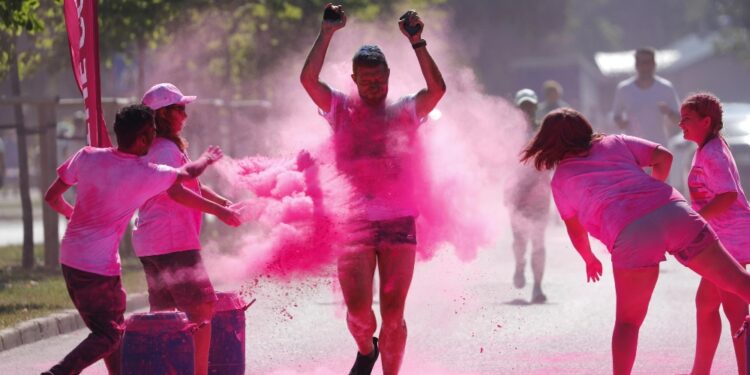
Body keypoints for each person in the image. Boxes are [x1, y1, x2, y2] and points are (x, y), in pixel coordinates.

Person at [520, 108, 750, 375]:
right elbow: (664, 157)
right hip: (674, 211)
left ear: (548, 142)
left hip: (632, 235)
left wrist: (589, 258)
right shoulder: (614, 142)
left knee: (628, 324)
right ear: (584, 128)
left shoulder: (561, 180)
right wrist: (652, 192)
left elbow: (575, 229)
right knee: (740, 284)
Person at [300, 4, 446, 375]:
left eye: (378, 79)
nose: (373, 86)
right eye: (365, 80)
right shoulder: (339, 109)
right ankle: (367, 351)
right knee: (360, 314)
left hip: (399, 222)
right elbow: (308, 81)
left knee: (394, 316)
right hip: (354, 225)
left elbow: (437, 89)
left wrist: (417, 41)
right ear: (353, 78)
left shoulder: (405, 110)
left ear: (389, 75)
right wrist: (327, 33)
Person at [42, 105, 224, 375]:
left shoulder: (87, 156)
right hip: (98, 269)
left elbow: (52, 197)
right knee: (111, 335)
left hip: (70, 259)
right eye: (152, 133)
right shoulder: (145, 173)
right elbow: (188, 174)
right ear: (143, 138)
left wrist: (73, 215)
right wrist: (207, 158)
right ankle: (59, 372)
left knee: (109, 329)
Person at [135, 83, 241, 375]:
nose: (185, 114)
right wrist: (220, 212)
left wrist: (222, 201)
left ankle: (167, 370)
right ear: (164, 114)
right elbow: (176, 193)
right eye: (180, 108)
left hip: (151, 241)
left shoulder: (158, 149)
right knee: (201, 309)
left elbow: (190, 184)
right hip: (173, 242)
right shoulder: (166, 151)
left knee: (165, 313)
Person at [680, 93, 750, 375]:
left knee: (736, 313)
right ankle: (700, 371)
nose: (681, 124)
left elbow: (728, 195)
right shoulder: (707, 148)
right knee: (706, 305)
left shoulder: (713, 152)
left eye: (687, 119)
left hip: (730, 242)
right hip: (722, 240)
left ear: (706, 121)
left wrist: (694, 219)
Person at [505, 89, 550, 303]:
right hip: (518, 192)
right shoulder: (509, 132)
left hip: (540, 193)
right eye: (523, 106)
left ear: (535, 107)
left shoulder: (544, 131)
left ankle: (538, 288)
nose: (527, 110)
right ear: (517, 108)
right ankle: (519, 265)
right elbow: (502, 162)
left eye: (530, 106)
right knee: (519, 239)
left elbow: (553, 159)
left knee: (538, 241)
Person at [612, 47, 681, 146]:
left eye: (647, 62)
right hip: (633, 147)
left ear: (654, 64)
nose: (644, 67)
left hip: (658, 147)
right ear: (636, 65)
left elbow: (679, 120)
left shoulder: (666, 88)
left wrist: (668, 112)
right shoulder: (624, 89)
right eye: (640, 62)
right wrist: (620, 123)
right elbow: (616, 116)